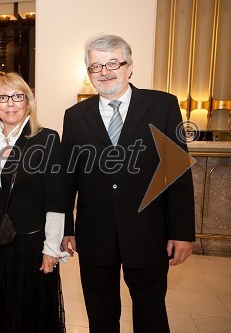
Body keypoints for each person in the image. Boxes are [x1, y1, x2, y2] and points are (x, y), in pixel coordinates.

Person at [61, 34, 195, 333]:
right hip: (94, 236)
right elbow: (68, 177)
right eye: (97, 66)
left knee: (151, 314)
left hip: (148, 232)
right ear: (89, 73)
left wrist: (182, 232)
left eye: (113, 63)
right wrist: (66, 228)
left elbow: (177, 174)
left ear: (129, 67)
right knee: (100, 314)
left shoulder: (163, 105)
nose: (105, 71)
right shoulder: (75, 116)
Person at [0, 72, 68, 333]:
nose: (10, 103)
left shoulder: (46, 139)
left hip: (29, 245)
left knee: (26, 317)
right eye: (3, 97)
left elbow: (56, 198)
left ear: (28, 101)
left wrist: (51, 248)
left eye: (17, 96)